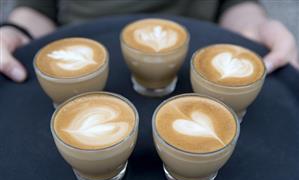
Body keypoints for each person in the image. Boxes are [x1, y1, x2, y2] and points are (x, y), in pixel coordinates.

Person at [1, 0, 298, 82]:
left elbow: (234, 4)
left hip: (199, 67)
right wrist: (16, 31)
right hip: (80, 65)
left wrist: (255, 27)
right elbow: (39, 9)